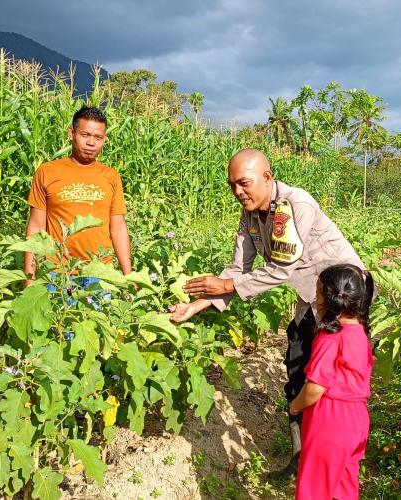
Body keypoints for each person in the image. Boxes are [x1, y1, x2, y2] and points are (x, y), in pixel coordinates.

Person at [168, 148, 365, 480]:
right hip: (311, 298)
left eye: (243, 183)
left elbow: (280, 270)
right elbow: (237, 268)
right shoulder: (248, 216)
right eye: (232, 185)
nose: (237, 192)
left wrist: (224, 285)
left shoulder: (296, 204)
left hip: (343, 297)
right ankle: (301, 460)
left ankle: (337, 459)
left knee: (333, 378)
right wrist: (197, 304)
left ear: (267, 177)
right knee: (297, 367)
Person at [289, 264, 374, 500]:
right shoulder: (360, 333)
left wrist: (296, 405)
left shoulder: (330, 336)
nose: (315, 300)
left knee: (314, 490)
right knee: (343, 488)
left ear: (328, 299)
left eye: (317, 294)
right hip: (357, 419)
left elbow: (316, 386)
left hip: (330, 420)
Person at [23, 105, 132, 285]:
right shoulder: (47, 172)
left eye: (98, 137)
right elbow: (36, 227)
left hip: (99, 272)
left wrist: (129, 276)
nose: (91, 143)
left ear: (105, 140)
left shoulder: (111, 176)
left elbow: (118, 227)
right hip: (55, 272)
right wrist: (30, 277)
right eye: (85, 135)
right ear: (71, 134)